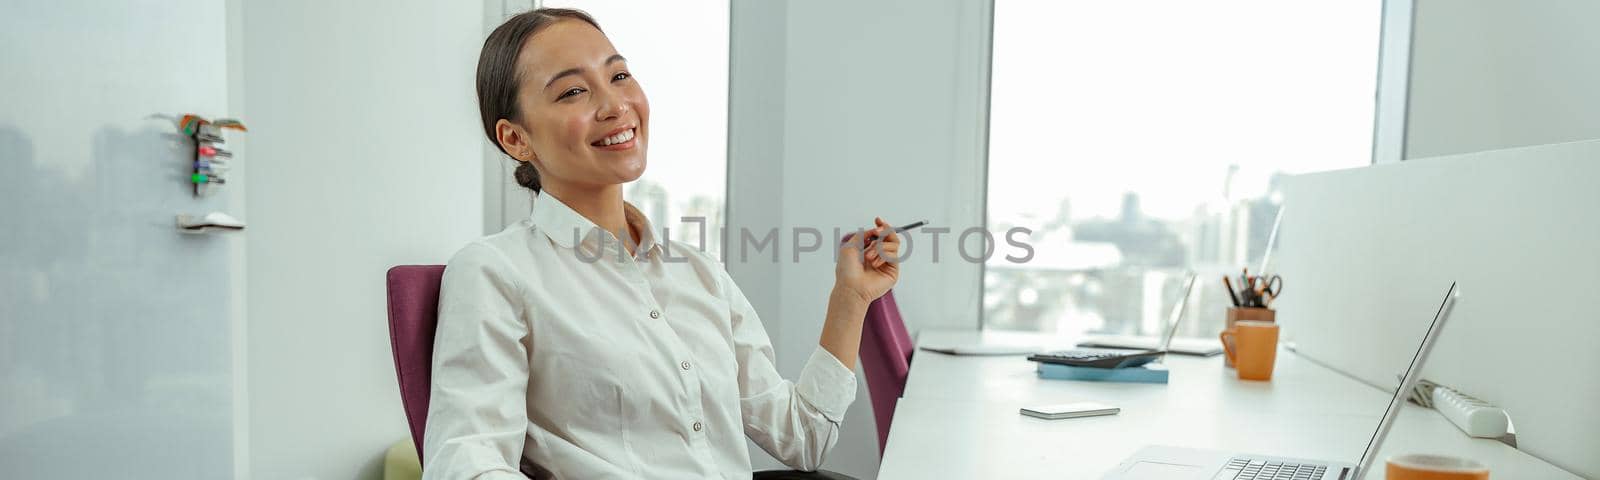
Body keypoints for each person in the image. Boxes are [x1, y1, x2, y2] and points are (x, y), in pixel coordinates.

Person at [421, 8, 902, 479]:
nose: (614, 106)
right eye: (573, 92)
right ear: (516, 139)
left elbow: (804, 438)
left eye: (620, 76)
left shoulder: (696, 271)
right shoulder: (496, 272)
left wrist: (851, 299)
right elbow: (464, 463)